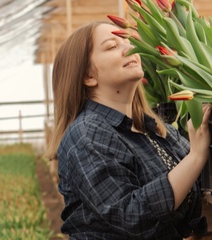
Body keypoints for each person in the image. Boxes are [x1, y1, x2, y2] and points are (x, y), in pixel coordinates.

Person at [46, 21, 211, 240]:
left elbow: (195, 180)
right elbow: (131, 216)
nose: (130, 48)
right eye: (111, 46)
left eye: (127, 41)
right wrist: (196, 156)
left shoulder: (152, 127)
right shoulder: (87, 135)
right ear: (89, 76)